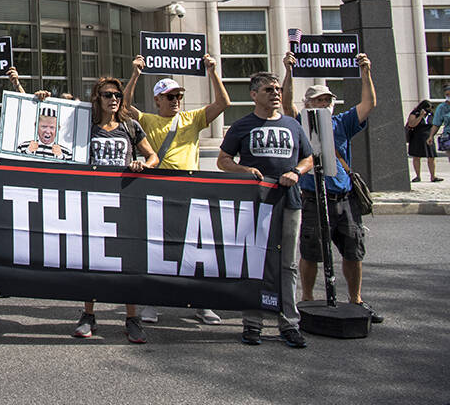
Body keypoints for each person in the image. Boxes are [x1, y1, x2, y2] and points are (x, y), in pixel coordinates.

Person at [124, 53, 231, 325]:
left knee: (196, 249)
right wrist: (135, 73)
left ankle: (202, 303)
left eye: (178, 96)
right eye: (170, 97)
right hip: (158, 191)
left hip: (189, 190)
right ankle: (152, 302)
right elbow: (124, 106)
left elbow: (223, 103)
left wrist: (212, 71)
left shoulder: (192, 119)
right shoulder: (147, 120)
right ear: (158, 99)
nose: (175, 101)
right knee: (157, 249)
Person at [283, 52, 383, 323]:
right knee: (311, 252)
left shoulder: (342, 123)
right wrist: (289, 71)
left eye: (328, 100)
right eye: (319, 100)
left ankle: (356, 299)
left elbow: (368, 103)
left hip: (344, 197)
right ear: (308, 104)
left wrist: (366, 72)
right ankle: (307, 299)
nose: (325, 104)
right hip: (314, 197)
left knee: (353, 250)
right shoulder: (300, 123)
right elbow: (285, 103)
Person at [217, 71, 314, 348]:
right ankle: (253, 323)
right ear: (254, 95)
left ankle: (289, 323)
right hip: (255, 204)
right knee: (255, 261)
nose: (275, 94)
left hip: (290, 202)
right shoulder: (242, 126)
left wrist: (296, 172)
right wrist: (243, 169)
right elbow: (223, 160)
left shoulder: (293, 125)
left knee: (288, 265)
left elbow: (308, 157)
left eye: (277, 90)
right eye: (269, 90)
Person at [71, 78, 158, 344]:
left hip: (124, 203)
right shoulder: (86, 127)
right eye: (108, 94)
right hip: (93, 201)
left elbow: (152, 156)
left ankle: (132, 318)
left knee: (127, 262)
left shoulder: (130, 126)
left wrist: (144, 166)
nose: (114, 99)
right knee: (91, 261)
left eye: (117, 95)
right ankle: (88, 315)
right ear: (97, 97)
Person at [407, 100, 440, 182]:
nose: (429, 110)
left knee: (431, 157)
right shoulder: (415, 113)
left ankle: (433, 176)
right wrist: (421, 116)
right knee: (416, 157)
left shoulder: (431, 114)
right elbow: (411, 124)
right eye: (427, 108)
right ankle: (418, 176)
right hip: (417, 137)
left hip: (428, 137)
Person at [429, 83, 450, 158]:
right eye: (447, 95)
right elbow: (436, 124)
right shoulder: (442, 108)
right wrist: (431, 136)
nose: (449, 96)